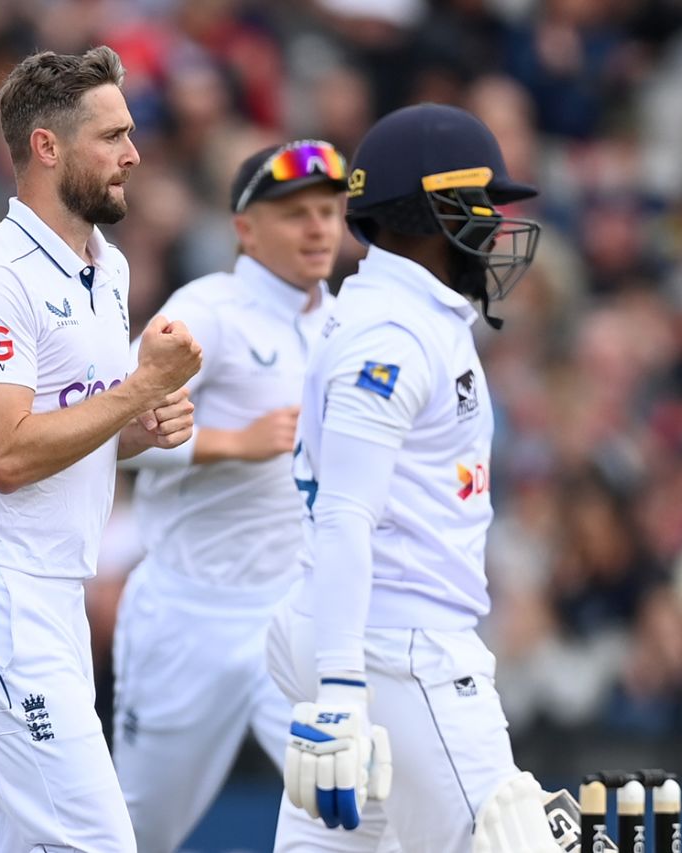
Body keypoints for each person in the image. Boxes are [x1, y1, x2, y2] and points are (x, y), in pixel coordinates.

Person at [0, 47, 202, 853]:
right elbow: (5, 454)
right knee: (97, 843)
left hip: (51, 590)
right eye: (113, 136)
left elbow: (76, 424)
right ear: (47, 146)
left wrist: (141, 427)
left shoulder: (110, 270)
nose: (133, 155)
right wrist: (140, 390)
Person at [266, 103, 560, 852]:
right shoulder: (393, 335)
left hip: (360, 636)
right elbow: (344, 514)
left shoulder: (403, 313)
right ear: (431, 209)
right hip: (398, 648)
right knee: (513, 841)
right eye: (481, 202)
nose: (495, 223)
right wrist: (340, 689)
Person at [112, 139, 351, 852]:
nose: (318, 229)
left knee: (355, 817)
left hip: (298, 618)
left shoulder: (351, 324)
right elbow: (113, 425)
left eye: (331, 211)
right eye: (296, 213)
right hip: (191, 614)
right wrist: (232, 441)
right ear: (244, 229)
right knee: (133, 831)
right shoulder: (206, 311)